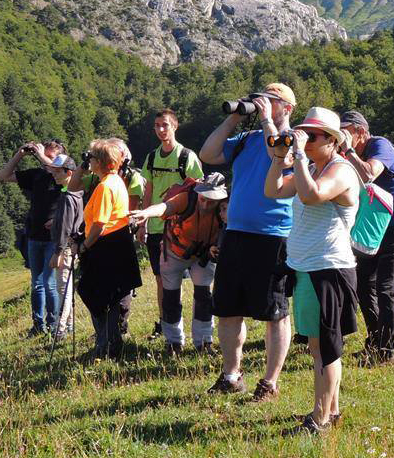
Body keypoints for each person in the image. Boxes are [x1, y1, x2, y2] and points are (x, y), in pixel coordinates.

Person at [264, 107, 360, 433]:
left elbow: (311, 195)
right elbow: (273, 190)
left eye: (313, 135)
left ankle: (318, 421)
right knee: (318, 345)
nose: (305, 139)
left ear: (332, 141)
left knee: (326, 349)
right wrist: (280, 158)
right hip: (305, 268)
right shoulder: (314, 168)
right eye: (303, 133)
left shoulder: (341, 171)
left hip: (328, 270)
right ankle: (330, 412)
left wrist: (299, 158)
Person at [199, 82, 297, 401]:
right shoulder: (246, 140)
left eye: (272, 100)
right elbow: (208, 153)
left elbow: (277, 155)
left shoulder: (295, 139)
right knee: (228, 308)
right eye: (261, 100)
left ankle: (269, 382)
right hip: (237, 233)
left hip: (273, 235)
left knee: (274, 311)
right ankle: (231, 375)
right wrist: (234, 119)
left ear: (288, 108)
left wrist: (268, 119)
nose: (264, 104)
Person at [338, 110, 394, 365]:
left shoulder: (379, 144)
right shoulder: (354, 153)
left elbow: (369, 174)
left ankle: (387, 352)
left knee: (386, 288)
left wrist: (348, 152)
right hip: (374, 227)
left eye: (346, 131)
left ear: (361, 131)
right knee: (363, 285)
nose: (342, 138)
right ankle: (375, 343)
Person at [130, 173, 228, 355]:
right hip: (174, 251)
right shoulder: (187, 197)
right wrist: (146, 213)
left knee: (204, 296)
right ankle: (173, 342)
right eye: (203, 198)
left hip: (204, 254)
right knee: (170, 297)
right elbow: (166, 206)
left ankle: (204, 342)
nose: (206, 204)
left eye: (211, 201)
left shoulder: (225, 205)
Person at [70, 137, 147, 336]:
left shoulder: (105, 186)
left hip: (105, 245)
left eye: (92, 157)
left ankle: (107, 341)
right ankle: (110, 341)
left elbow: (100, 223)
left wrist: (84, 246)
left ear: (101, 162)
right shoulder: (115, 181)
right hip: (116, 243)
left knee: (93, 292)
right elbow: (71, 186)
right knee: (110, 296)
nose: (89, 160)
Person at [138, 110, 204, 340]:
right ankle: (165, 323)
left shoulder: (187, 156)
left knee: (197, 280)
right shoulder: (151, 157)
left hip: (182, 228)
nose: (160, 130)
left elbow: (199, 189)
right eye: (157, 125)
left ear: (175, 127)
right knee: (160, 279)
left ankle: (198, 328)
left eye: (165, 125)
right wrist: (143, 222)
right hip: (157, 227)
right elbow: (148, 189)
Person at [0, 139, 66, 335]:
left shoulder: (63, 176)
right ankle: (38, 325)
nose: (46, 161)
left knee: (50, 284)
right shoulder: (36, 175)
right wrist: (20, 154)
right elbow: (4, 176)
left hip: (53, 238)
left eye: (51, 157)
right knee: (36, 284)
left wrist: (39, 154)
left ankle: (54, 325)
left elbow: (53, 167)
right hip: (34, 236)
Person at [46, 154, 83, 340]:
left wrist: (58, 252)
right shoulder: (75, 192)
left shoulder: (68, 196)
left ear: (69, 172)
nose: (53, 174)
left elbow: (67, 228)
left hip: (66, 248)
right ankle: (67, 325)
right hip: (72, 245)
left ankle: (60, 329)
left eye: (57, 171)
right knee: (66, 287)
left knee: (63, 289)